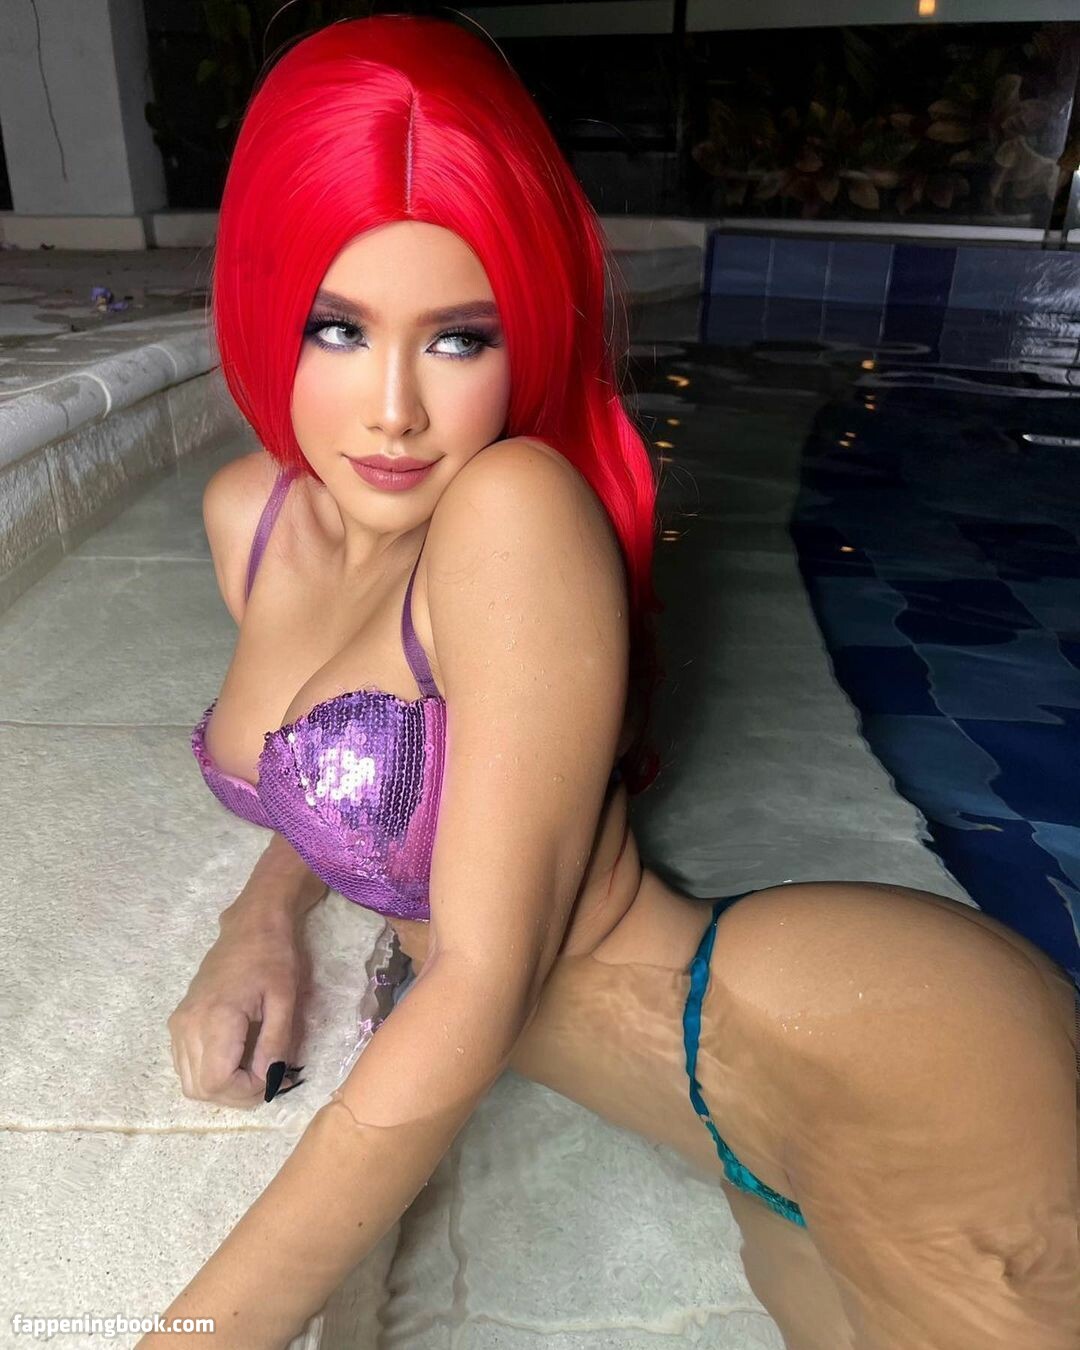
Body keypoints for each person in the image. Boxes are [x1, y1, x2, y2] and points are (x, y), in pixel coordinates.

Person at [144, 14, 1080, 1349]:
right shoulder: (254, 519)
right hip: (731, 1122)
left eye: (459, 339)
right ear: (257, 304)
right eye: (336, 327)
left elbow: (478, 981)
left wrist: (189, 1334)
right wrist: (261, 920)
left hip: (889, 1060)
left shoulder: (513, 512)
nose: (394, 408)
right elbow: (342, 761)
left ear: (528, 332)